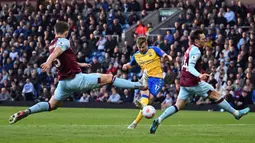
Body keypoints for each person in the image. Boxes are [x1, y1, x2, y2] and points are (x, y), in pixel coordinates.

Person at [9, 21, 148, 124]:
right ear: (66, 31)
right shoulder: (64, 41)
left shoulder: (51, 43)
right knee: (109, 78)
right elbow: (57, 52)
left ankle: (26, 112)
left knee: (51, 105)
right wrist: (49, 61)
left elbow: (62, 57)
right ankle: (139, 85)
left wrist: (78, 64)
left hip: (63, 84)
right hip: (76, 79)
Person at [149, 29, 250, 134]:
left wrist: (200, 72)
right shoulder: (196, 51)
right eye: (202, 39)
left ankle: (159, 120)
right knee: (216, 95)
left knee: (178, 105)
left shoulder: (190, 48)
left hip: (184, 82)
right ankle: (236, 113)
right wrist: (199, 75)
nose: (205, 40)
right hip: (193, 82)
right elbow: (190, 67)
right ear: (196, 40)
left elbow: (188, 65)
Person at [122, 35, 172, 129]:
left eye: (143, 47)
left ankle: (137, 118)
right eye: (139, 47)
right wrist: (125, 66)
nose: (141, 49)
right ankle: (135, 122)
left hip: (158, 79)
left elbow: (164, 54)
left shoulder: (154, 50)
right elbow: (131, 64)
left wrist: (167, 57)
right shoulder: (136, 56)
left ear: (147, 44)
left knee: (149, 99)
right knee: (144, 91)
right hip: (146, 78)